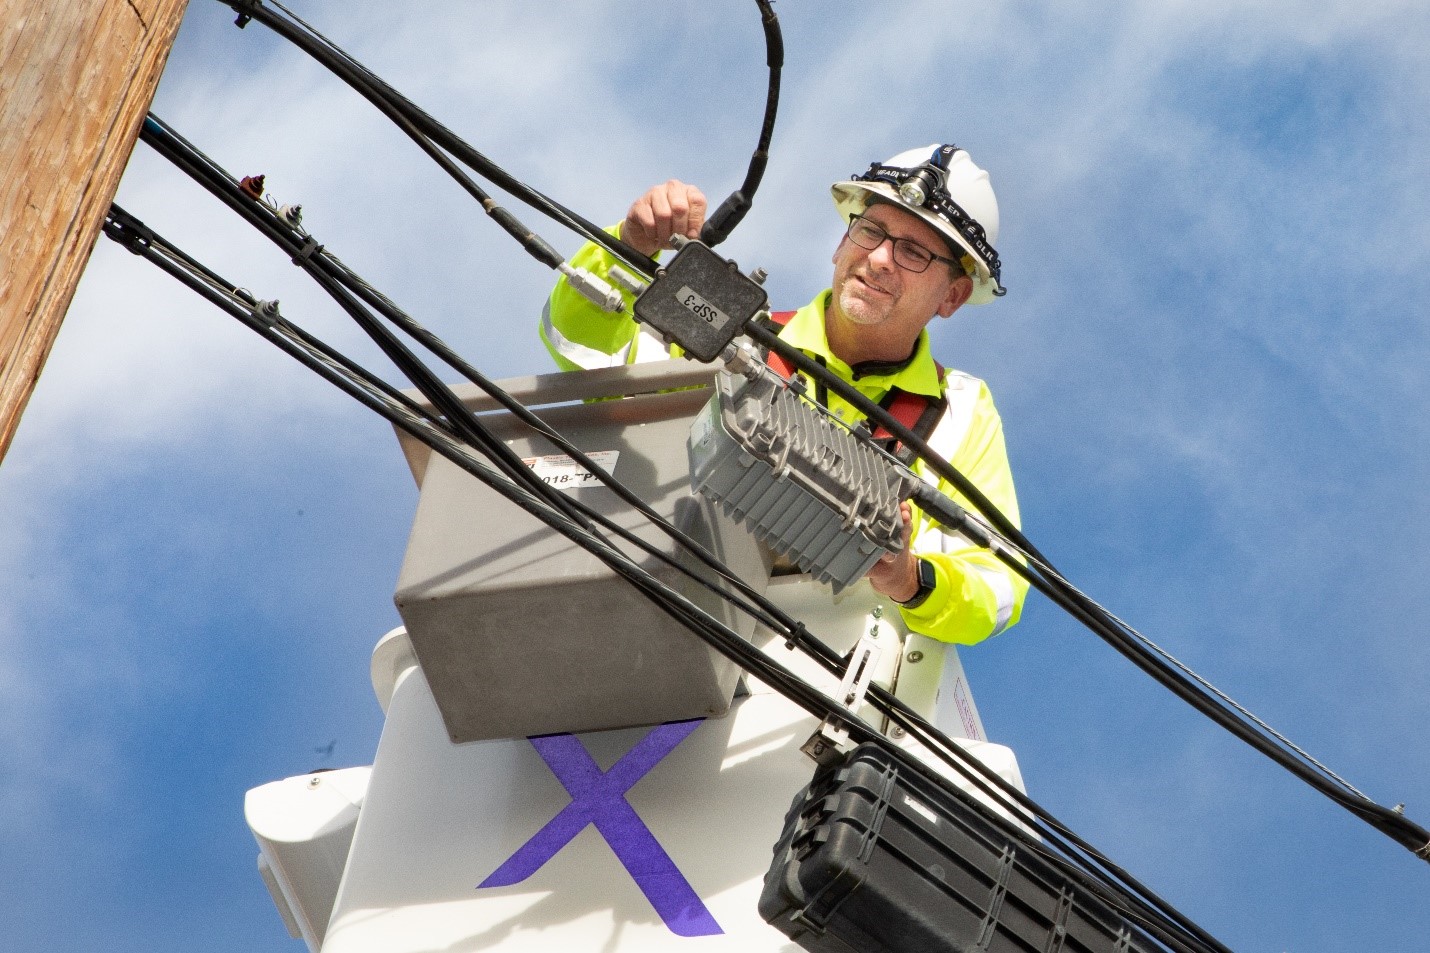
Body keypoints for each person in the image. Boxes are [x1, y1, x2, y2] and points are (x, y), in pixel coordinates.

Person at [540, 144, 1026, 646]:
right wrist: (629, 245)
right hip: (669, 626)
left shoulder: (960, 410)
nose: (879, 259)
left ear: (952, 295)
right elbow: (584, 351)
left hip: (830, 688)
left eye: (914, 252)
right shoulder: (733, 339)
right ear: (842, 241)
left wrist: (908, 578)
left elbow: (999, 583)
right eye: (872, 230)